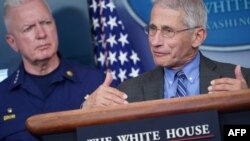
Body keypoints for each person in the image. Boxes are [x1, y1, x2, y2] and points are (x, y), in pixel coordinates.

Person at [0, 0, 127, 140]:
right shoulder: (2, 97)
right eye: (28, 28)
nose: (41, 34)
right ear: (12, 42)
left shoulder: (96, 83)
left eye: (46, 23)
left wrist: (85, 118)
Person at [83, 0, 250, 106]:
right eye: (153, 29)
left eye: (168, 31)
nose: (155, 41)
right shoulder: (128, 92)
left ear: (197, 37)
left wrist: (244, 105)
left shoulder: (242, 82)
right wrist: (87, 109)